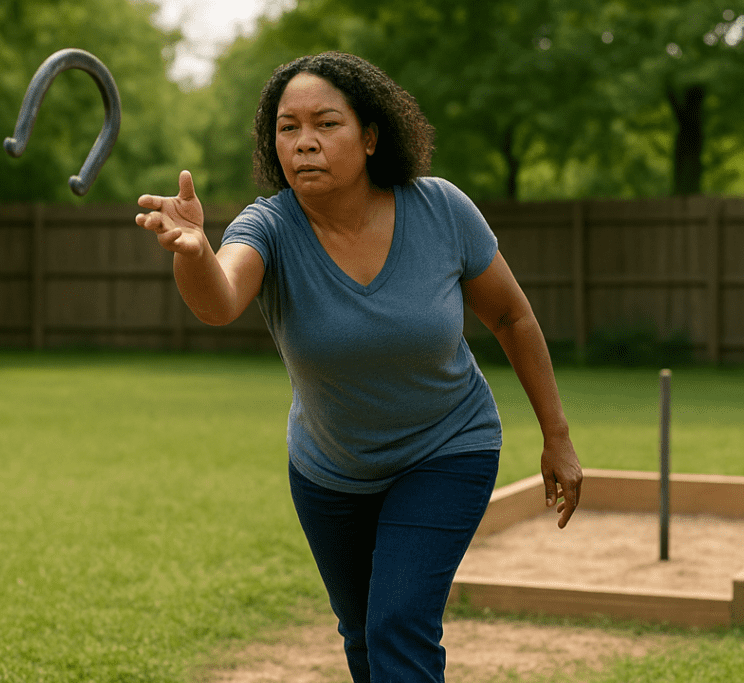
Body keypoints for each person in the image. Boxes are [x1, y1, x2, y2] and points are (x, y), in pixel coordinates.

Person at [136, 51, 582, 683]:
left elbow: (512, 318)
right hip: (330, 470)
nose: (305, 143)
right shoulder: (270, 225)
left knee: (398, 624)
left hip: (447, 448)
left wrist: (557, 436)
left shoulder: (440, 210)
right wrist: (193, 252)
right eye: (287, 128)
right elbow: (219, 300)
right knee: (364, 635)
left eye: (326, 124)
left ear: (370, 137)